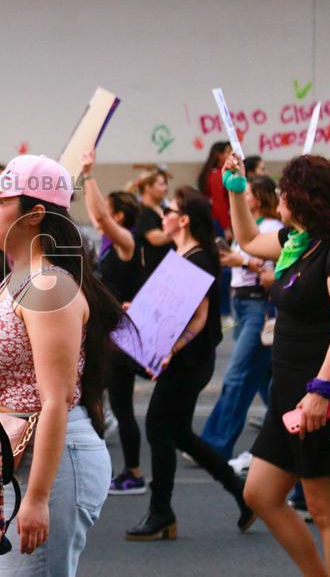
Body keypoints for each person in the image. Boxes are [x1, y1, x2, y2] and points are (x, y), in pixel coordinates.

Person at [225, 154, 330, 576]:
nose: (278, 199)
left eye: (283, 193)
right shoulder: (299, 241)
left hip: (328, 393)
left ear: (304, 199)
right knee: (260, 494)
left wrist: (321, 390)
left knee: (326, 512)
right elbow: (248, 240)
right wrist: (236, 190)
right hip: (290, 391)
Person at [0, 155, 117, 574]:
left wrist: (36, 498)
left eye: (0, 202)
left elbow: (56, 400)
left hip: (49, 464)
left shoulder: (48, 286)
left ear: (34, 214)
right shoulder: (19, 278)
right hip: (19, 457)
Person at [126, 187, 253, 541]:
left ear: (183, 220)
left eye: (168, 211)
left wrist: (172, 348)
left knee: (158, 426)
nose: (162, 216)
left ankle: (161, 512)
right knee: (180, 433)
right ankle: (241, 492)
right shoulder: (183, 255)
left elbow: (199, 318)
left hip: (189, 362)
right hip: (187, 360)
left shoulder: (197, 260)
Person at [201, 176, 283, 462]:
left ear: (258, 198)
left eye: (245, 193)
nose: (240, 197)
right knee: (264, 378)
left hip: (258, 305)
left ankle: (215, 444)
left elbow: (276, 267)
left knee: (237, 375)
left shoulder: (271, 227)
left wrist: (243, 261)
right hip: (243, 304)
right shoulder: (249, 226)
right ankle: (285, 436)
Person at [81, 150, 147, 495]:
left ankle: (133, 472)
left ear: (118, 215)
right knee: (102, 404)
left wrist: (88, 176)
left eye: (110, 210)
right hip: (109, 335)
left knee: (120, 407)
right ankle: (117, 470)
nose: (101, 216)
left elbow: (100, 218)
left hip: (120, 340)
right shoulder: (113, 244)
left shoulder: (128, 242)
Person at [131, 166, 173, 277]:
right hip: (155, 270)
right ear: (148, 188)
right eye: (161, 184)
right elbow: (156, 239)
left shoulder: (163, 208)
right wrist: (179, 230)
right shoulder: (142, 212)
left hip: (169, 266)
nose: (166, 188)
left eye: (166, 184)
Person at [197, 141, 233, 234]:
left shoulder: (219, 173)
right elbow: (219, 203)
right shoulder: (216, 175)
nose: (232, 155)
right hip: (218, 222)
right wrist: (226, 227)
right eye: (228, 152)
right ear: (219, 155)